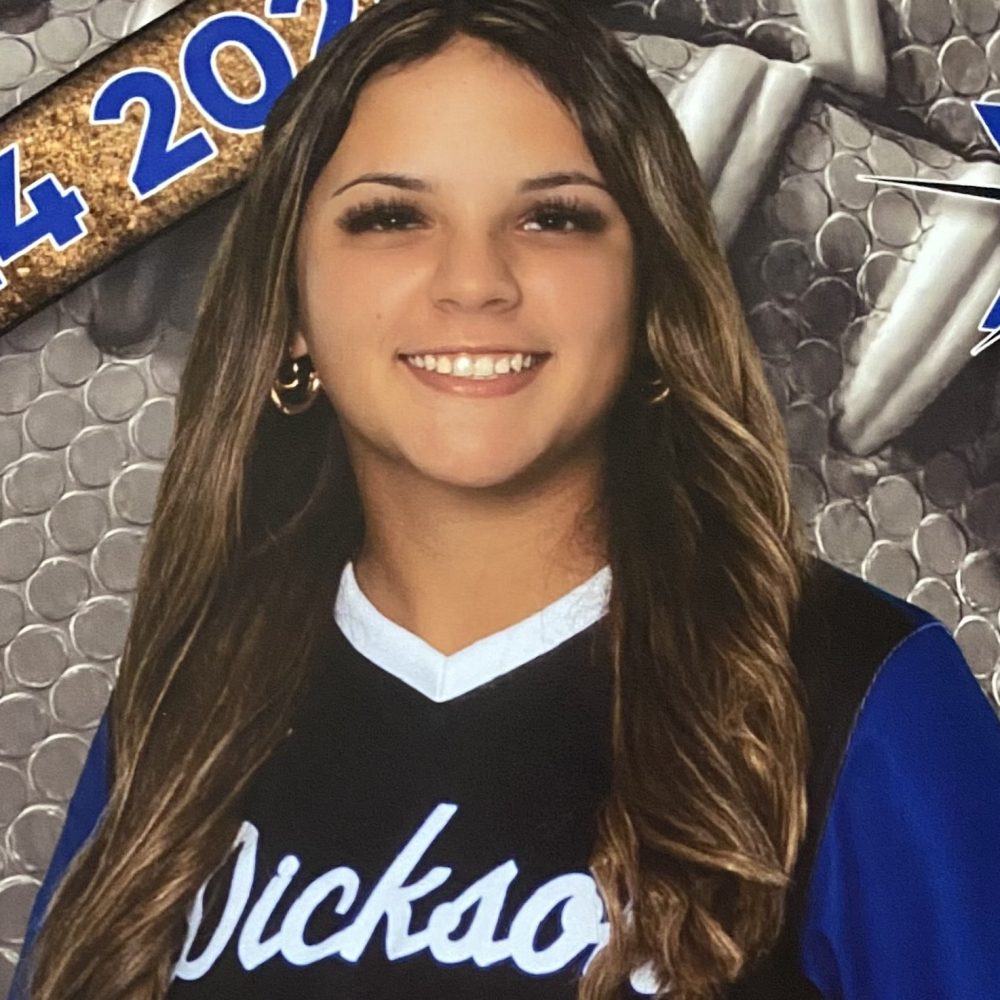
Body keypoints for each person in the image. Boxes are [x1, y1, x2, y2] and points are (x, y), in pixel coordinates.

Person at [10, 1, 1000, 998]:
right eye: (391, 218)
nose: (474, 281)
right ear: (291, 308)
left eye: (553, 217)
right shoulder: (188, 701)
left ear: (651, 293)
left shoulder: (862, 693)